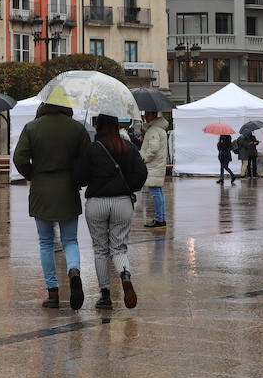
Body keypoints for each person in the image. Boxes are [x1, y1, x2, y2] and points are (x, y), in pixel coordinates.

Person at [13, 99, 92, 309]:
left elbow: (19, 159)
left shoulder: (32, 127)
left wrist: (34, 175)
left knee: (46, 242)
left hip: (41, 190)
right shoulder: (77, 128)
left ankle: (53, 292)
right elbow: (87, 160)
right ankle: (74, 271)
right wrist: (77, 178)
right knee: (70, 240)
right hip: (67, 189)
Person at [74, 114, 149, 309]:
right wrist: (127, 188)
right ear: (116, 126)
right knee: (119, 248)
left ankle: (105, 295)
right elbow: (141, 174)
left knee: (100, 250)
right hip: (122, 202)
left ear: (98, 126)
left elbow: (80, 178)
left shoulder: (91, 149)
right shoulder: (128, 147)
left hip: (97, 203)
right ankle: (125, 276)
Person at [140, 111, 169, 228]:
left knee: (156, 193)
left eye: (148, 114)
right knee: (158, 192)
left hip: (153, 166)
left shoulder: (153, 130)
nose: (145, 116)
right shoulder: (160, 129)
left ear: (153, 115)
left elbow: (153, 149)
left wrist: (144, 159)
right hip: (158, 165)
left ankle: (159, 219)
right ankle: (161, 218)